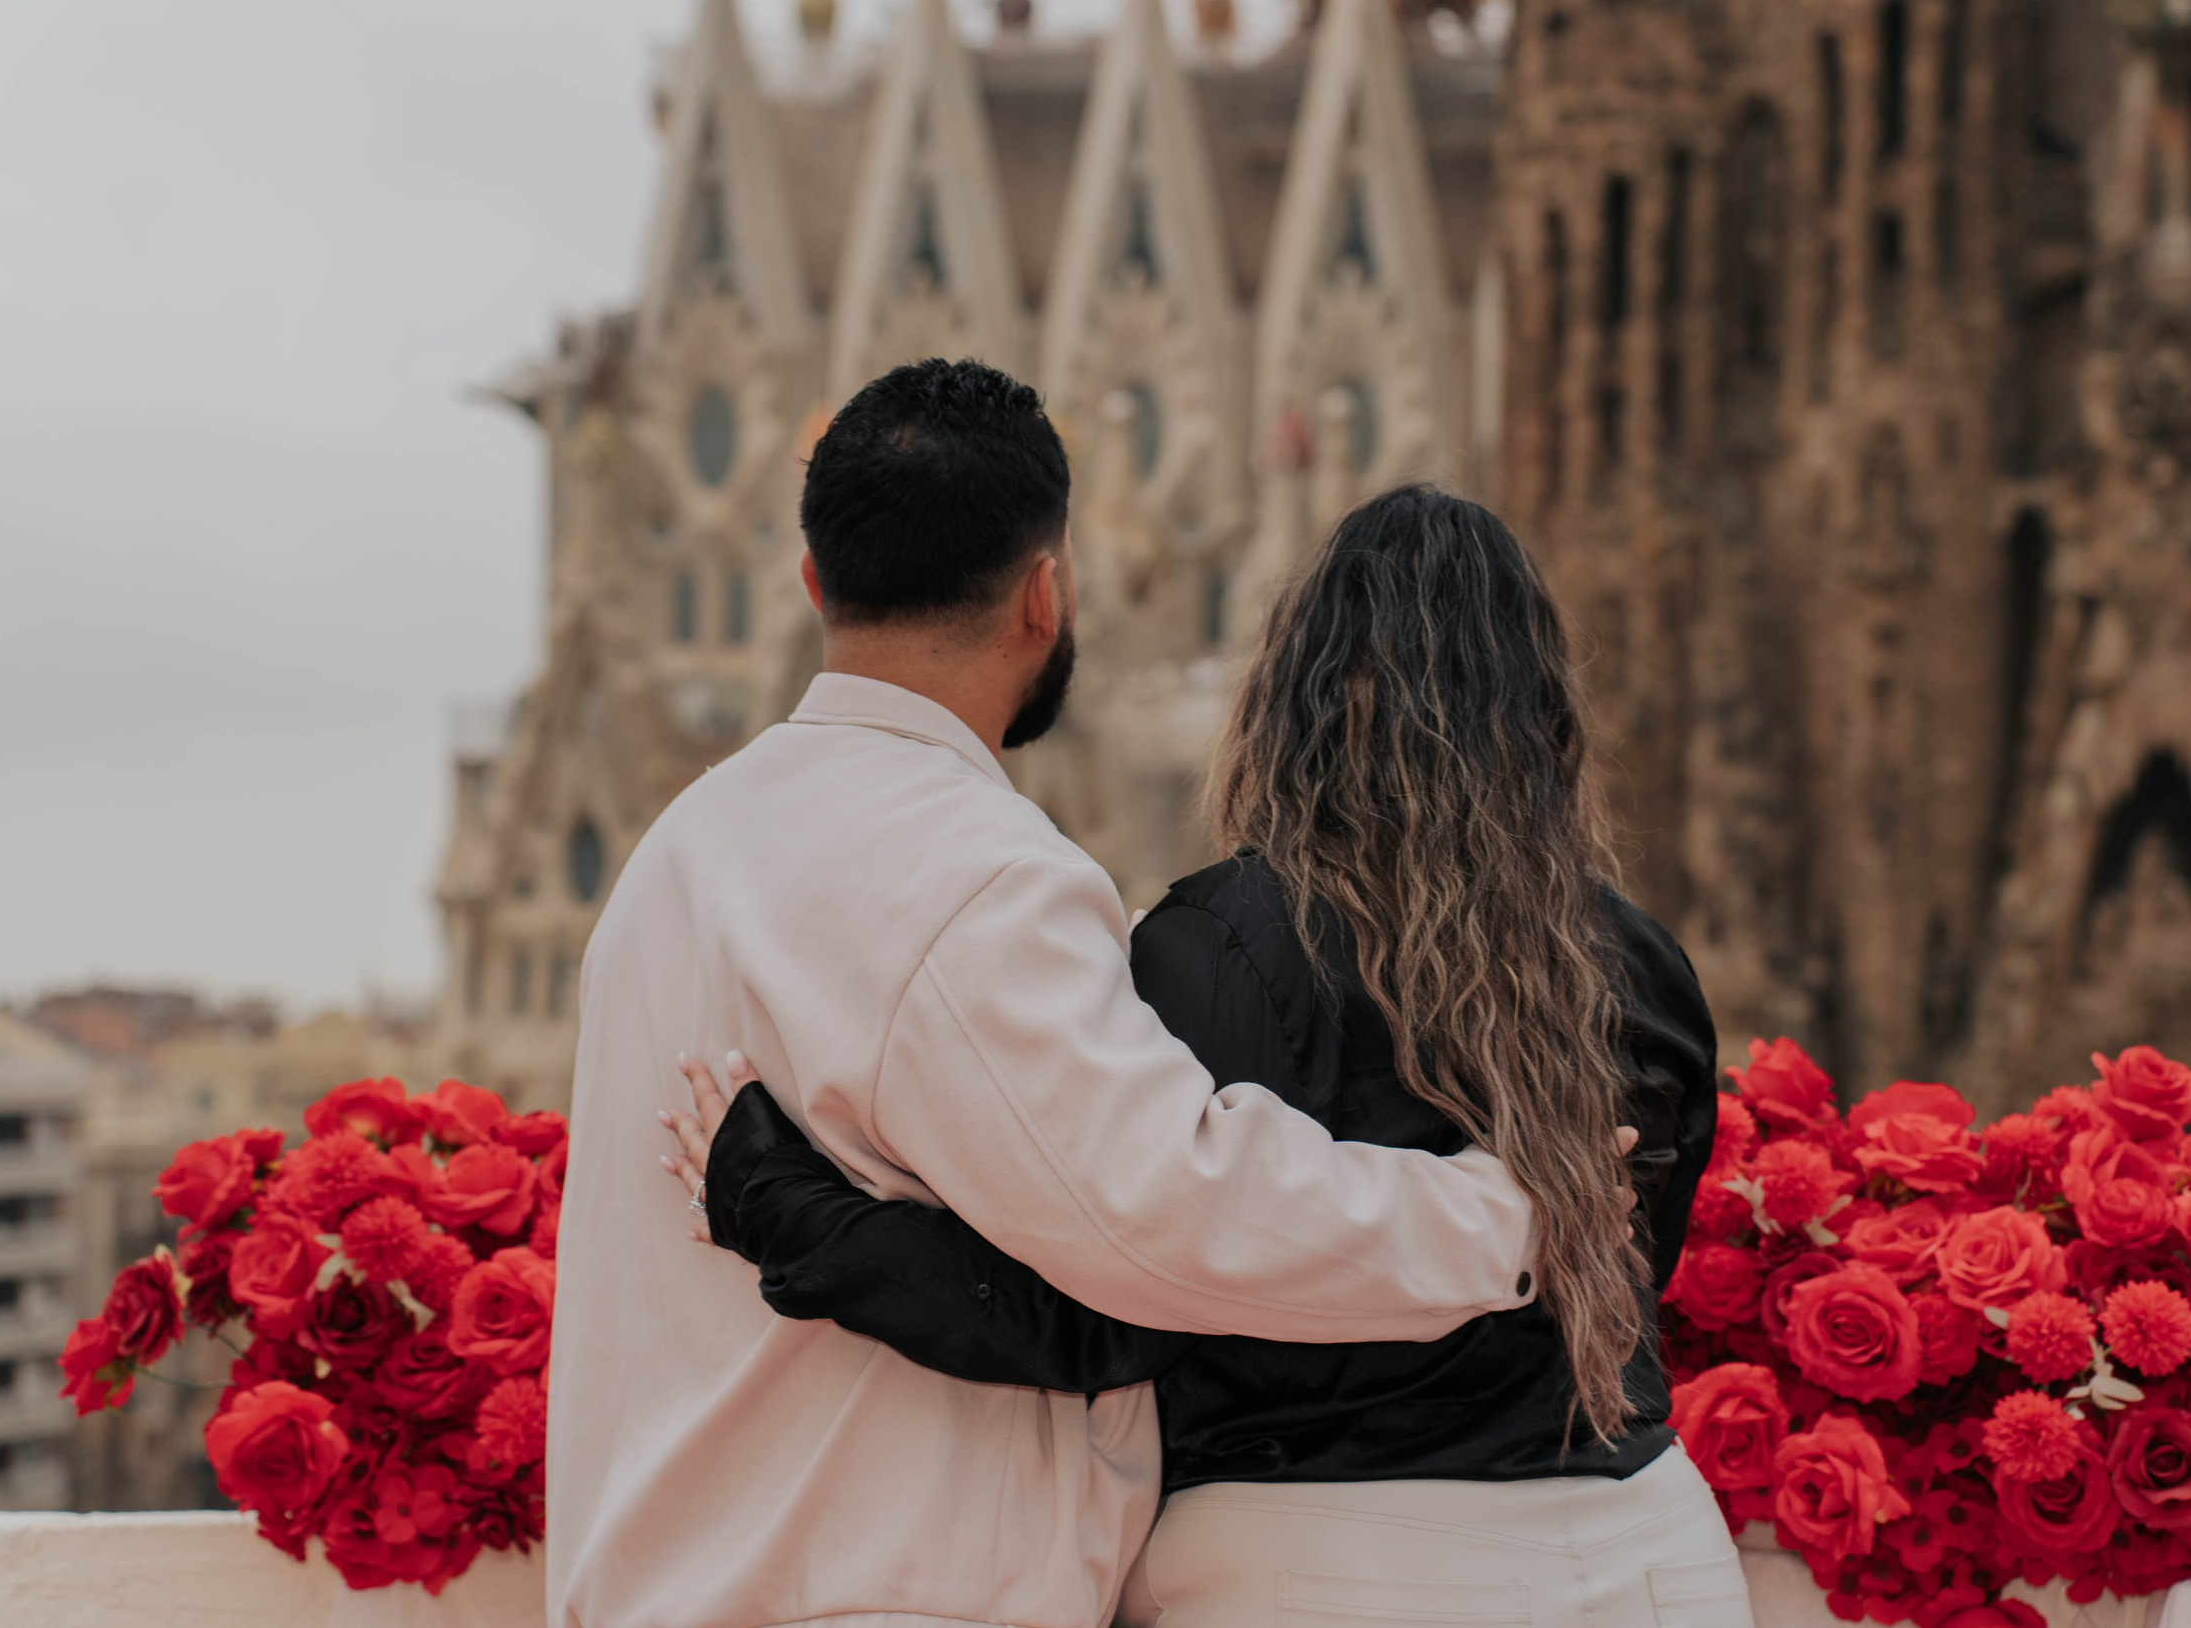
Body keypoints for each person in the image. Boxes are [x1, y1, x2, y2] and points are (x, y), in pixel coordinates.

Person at [548, 362, 1552, 1628]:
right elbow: (1165, 1215)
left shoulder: (677, 853)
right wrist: (1512, 1221)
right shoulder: (973, 871)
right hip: (875, 1596)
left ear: (814, 585)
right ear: (1046, 592)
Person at [662, 487, 1748, 1626]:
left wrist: (787, 1210)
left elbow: (1101, 1309)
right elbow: (1628, 1267)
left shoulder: (1220, 947)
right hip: (1654, 1554)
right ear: (1544, 713)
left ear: (1295, 701)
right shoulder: (1640, 967)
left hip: (1322, 1565)